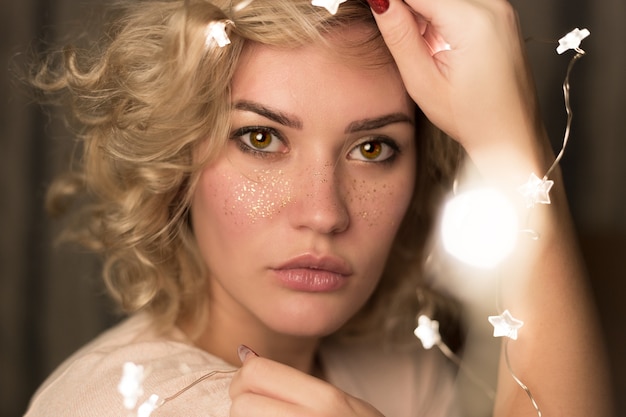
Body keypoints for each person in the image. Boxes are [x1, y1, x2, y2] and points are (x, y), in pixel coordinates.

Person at [23, 0, 612, 416]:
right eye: (261, 139)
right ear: (179, 158)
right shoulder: (136, 403)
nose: (324, 212)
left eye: (373, 147)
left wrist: (511, 138)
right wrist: (517, 146)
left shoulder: (397, 370)